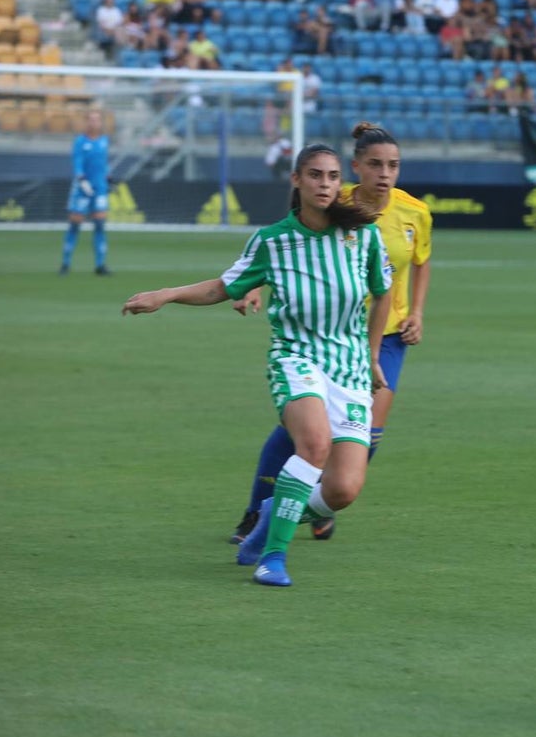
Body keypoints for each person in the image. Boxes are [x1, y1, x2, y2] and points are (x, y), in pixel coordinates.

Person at [124, 142, 392, 587]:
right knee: (313, 444)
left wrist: (373, 353)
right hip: (297, 357)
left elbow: (382, 292)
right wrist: (166, 295)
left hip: (350, 367)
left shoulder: (362, 237)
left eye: (331, 176)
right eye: (314, 175)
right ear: (296, 181)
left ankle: (273, 513)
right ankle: (273, 558)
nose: (324, 184)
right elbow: (222, 287)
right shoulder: (273, 241)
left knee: (343, 490)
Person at [228, 124, 433, 547]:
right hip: (330, 334)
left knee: (364, 434)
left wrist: (416, 311)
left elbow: (420, 260)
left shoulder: (415, 212)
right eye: (375, 165)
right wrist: (250, 285)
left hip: (386, 336)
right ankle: (258, 511)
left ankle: (316, 503)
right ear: (356, 168)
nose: (384, 174)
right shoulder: (332, 200)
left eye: (393, 165)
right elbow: (291, 251)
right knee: (302, 433)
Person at [60, 109, 112, 276]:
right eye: (91, 120)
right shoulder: (80, 141)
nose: (94, 123)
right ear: (86, 122)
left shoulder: (104, 140)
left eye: (97, 120)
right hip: (82, 188)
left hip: (100, 189)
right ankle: (65, 263)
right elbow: (78, 162)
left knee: (100, 224)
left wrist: (107, 177)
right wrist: (82, 180)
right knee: (75, 224)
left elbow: (103, 163)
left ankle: (100, 264)